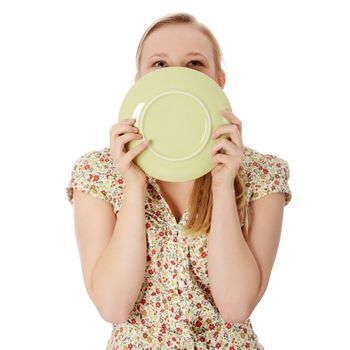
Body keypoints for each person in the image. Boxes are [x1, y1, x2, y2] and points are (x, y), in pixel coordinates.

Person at [66, 12, 292, 350]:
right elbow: (113, 307)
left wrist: (222, 183)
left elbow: (236, 307)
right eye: (159, 64)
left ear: (219, 81)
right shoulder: (98, 172)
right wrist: (133, 187)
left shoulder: (261, 174)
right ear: (138, 81)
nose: (175, 76)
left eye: (195, 64)